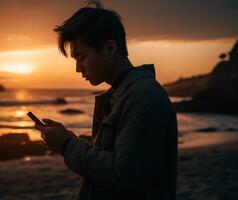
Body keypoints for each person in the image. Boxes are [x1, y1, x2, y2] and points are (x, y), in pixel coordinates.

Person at [35, 1, 178, 199]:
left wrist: (67, 145)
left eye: (81, 57)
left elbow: (125, 175)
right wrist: (68, 137)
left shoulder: (142, 97)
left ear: (110, 48)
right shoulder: (123, 94)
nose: (78, 68)